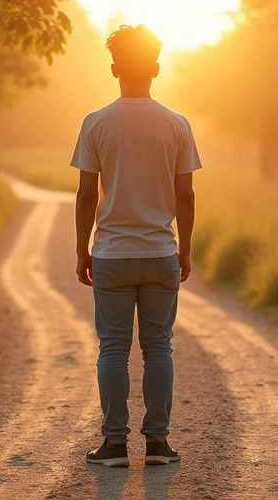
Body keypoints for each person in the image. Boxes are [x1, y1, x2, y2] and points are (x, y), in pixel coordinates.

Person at [72, 25, 201, 468]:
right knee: (158, 348)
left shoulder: (96, 122)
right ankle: (158, 444)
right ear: (156, 68)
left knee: (112, 348)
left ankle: (113, 446)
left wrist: (80, 249)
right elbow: (185, 196)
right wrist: (184, 249)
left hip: (110, 253)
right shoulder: (177, 124)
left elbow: (87, 194)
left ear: (113, 69)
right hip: (160, 251)